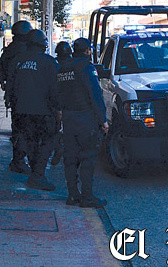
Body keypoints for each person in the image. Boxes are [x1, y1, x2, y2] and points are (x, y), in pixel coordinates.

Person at [6, 29, 61, 191]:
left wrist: (11, 103)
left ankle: (35, 174)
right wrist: (58, 108)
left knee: (29, 141)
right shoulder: (50, 62)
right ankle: (38, 176)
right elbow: (55, 89)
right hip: (43, 112)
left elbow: (10, 84)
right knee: (46, 143)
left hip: (21, 111)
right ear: (43, 44)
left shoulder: (17, 60)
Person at [57, 37, 109, 208]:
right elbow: (95, 94)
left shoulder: (63, 68)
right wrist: (103, 120)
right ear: (88, 51)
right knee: (88, 158)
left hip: (68, 118)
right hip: (85, 119)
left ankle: (73, 195)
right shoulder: (87, 68)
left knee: (70, 158)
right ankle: (87, 197)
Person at [0, 20, 33, 174]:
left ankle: (18, 159)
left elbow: (2, 71)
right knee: (25, 129)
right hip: (25, 95)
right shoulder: (24, 51)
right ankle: (18, 161)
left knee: (18, 127)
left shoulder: (10, 49)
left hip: (14, 95)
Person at [50, 41, 73, 166]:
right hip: (71, 103)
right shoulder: (73, 65)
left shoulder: (54, 64)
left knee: (55, 130)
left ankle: (58, 148)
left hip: (56, 103)